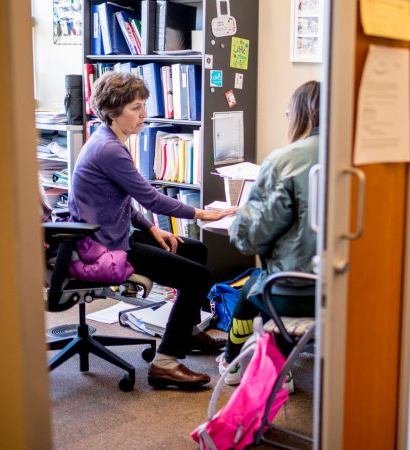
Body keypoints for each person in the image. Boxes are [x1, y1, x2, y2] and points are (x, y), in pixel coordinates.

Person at [69, 72, 235, 389]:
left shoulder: (108, 139)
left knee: (194, 250)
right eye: (135, 107)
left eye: (143, 105)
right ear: (113, 111)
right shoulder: (110, 150)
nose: (143, 114)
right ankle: (165, 362)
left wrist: (151, 229)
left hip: (113, 234)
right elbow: (150, 198)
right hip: (106, 247)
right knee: (197, 277)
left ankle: (186, 332)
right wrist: (201, 213)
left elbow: (120, 202)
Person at [216, 80, 320, 385]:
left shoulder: (284, 161)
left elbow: (252, 238)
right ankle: (277, 362)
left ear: (300, 115)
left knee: (251, 291)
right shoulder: (360, 157)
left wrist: (239, 221)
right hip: (348, 294)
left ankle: (237, 364)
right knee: (258, 288)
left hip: (295, 293)